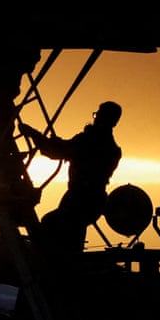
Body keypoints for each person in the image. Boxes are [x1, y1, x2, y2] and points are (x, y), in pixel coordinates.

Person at [18, 101, 122, 257]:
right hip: (93, 202)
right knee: (72, 238)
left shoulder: (89, 142)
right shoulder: (112, 149)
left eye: (98, 115)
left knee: (50, 225)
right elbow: (64, 149)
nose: (95, 119)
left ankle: (50, 268)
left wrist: (32, 133)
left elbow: (55, 150)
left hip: (79, 200)